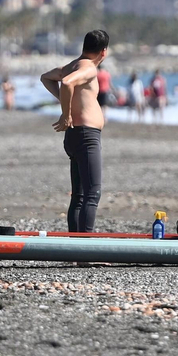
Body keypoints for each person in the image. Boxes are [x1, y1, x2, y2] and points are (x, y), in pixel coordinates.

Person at [41, 30, 109, 233]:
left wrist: (66, 104)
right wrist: (65, 113)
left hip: (73, 136)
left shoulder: (71, 65)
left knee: (78, 196)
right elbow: (68, 82)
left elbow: (46, 77)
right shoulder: (88, 68)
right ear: (103, 52)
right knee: (92, 194)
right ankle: (84, 250)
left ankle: (74, 249)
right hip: (86, 136)